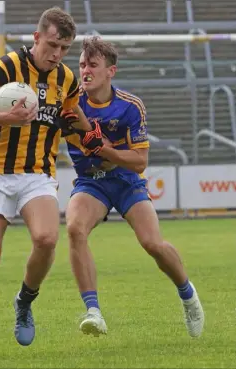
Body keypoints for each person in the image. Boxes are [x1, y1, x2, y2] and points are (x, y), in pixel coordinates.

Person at [0, 7, 93, 362]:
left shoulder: (66, 79)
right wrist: (6, 118)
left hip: (37, 174)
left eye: (64, 48)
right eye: (53, 44)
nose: (57, 53)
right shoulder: (5, 68)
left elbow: (76, 119)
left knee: (46, 239)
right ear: (37, 37)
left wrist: (88, 131)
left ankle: (25, 300)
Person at [63, 36, 205, 338]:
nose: (85, 70)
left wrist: (105, 149)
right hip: (91, 183)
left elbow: (139, 162)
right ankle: (93, 312)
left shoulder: (130, 107)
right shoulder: (70, 104)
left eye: (93, 65)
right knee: (74, 228)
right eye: (82, 64)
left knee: (152, 244)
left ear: (111, 71)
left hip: (126, 181)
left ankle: (188, 294)